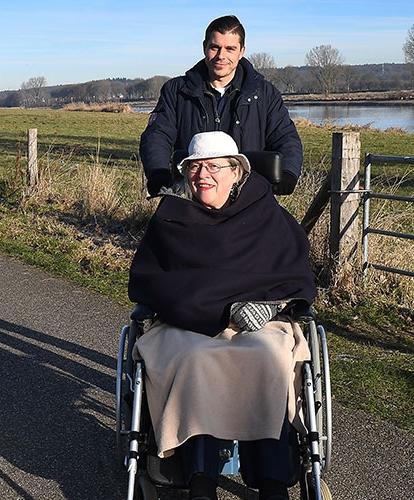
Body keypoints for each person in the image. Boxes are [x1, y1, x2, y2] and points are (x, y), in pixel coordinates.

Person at [128, 132, 317, 500]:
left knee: (270, 358)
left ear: (236, 171)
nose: (203, 175)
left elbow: (295, 274)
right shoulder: (171, 219)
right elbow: (151, 282)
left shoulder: (267, 215)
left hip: (259, 321)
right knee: (197, 361)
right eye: (195, 167)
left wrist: (273, 305)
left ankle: (273, 483)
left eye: (214, 166)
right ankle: (201, 481)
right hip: (187, 324)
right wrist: (215, 308)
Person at [140, 15, 303, 198]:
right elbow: (157, 135)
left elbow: (286, 137)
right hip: (190, 194)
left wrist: (288, 173)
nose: (221, 56)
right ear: (204, 47)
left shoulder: (265, 94)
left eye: (230, 49)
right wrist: (158, 173)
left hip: (247, 196)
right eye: (215, 47)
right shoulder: (176, 91)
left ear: (242, 51)